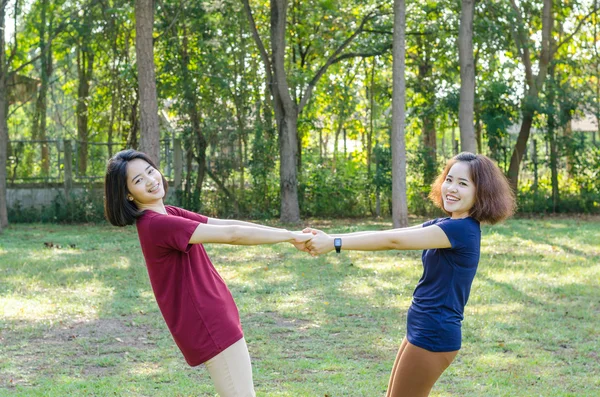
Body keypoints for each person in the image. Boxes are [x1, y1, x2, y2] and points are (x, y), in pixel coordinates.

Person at [303, 152, 516, 397]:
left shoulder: (460, 231)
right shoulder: (448, 225)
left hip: (434, 332)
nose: (451, 188)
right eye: (449, 179)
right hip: (423, 326)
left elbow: (393, 241)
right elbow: (395, 233)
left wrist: (335, 243)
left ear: (481, 192)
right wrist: (330, 238)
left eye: (463, 183)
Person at [104, 149, 312, 397]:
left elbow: (224, 225)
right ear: (127, 194)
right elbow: (231, 235)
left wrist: (288, 234)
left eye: (150, 171)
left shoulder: (169, 213)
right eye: (138, 180)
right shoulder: (156, 225)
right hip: (209, 323)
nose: (151, 180)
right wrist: (289, 237)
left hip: (217, 315)